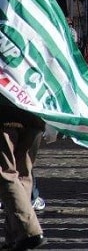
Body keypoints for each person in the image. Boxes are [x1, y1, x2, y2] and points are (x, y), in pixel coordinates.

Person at [0, 96, 45, 250]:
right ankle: (15, 236)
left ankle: (29, 231)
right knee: (22, 176)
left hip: (5, 112)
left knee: (5, 174)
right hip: (34, 113)